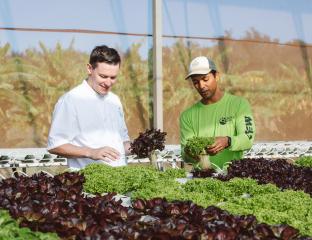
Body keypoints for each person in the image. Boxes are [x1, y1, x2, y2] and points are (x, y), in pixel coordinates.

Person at [47, 45, 130, 169]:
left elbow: (122, 142)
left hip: (120, 179)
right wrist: (91, 152)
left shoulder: (114, 100)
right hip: (87, 183)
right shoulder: (71, 100)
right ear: (90, 69)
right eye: (103, 76)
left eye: (113, 78)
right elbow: (55, 145)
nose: (108, 83)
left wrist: (141, 146)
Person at [180, 56, 255, 168]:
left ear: (217, 76)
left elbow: (247, 139)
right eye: (196, 82)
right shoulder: (187, 116)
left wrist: (227, 141)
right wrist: (190, 152)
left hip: (233, 176)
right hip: (202, 179)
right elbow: (185, 155)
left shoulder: (239, 105)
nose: (201, 86)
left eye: (205, 79)